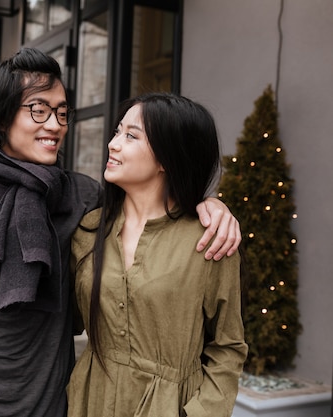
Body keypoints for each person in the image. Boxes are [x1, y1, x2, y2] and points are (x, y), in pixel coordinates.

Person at [0, 49, 241, 417]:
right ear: (1, 118)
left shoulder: (83, 199)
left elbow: (153, 202)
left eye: (62, 112)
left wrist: (209, 205)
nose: (54, 124)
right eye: (38, 109)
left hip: (57, 406)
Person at [67, 92, 248, 417]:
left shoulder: (210, 240)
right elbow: (58, 323)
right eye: (117, 131)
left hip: (169, 407)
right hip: (91, 402)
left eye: (131, 136)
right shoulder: (88, 230)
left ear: (168, 157)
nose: (113, 144)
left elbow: (228, 347)